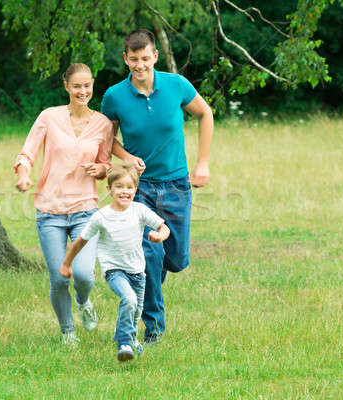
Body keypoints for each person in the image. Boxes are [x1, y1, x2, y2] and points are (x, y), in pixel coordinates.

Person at [101, 29, 214, 343]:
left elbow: (205, 113)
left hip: (177, 184)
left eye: (145, 58)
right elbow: (107, 138)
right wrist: (126, 156)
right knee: (149, 254)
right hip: (140, 188)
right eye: (133, 59)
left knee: (175, 260)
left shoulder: (177, 85)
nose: (140, 65)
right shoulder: (114, 96)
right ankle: (153, 327)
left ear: (155, 56)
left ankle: (147, 285)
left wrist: (202, 163)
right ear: (126, 58)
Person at [14, 63, 114, 345]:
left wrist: (102, 169)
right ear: (66, 87)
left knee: (83, 274)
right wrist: (23, 177)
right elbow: (27, 153)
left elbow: (105, 161)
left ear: (93, 85)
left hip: (85, 210)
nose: (83, 91)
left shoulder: (103, 124)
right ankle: (68, 331)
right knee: (59, 278)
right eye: (77, 86)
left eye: (87, 86)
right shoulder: (49, 117)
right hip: (50, 212)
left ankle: (84, 302)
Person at [60, 163, 170, 361]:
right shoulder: (101, 216)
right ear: (109, 189)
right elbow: (80, 242)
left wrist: (159, 236)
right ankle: (124, 342)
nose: (125, 191)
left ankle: (131, 337)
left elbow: (164, 227)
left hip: (137, 271)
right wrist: (67, 264)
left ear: (135, 190)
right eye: (119, 187)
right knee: (128, 299)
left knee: (136, 311)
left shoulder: (139, 210)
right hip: (114, 270)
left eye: (129, 187)